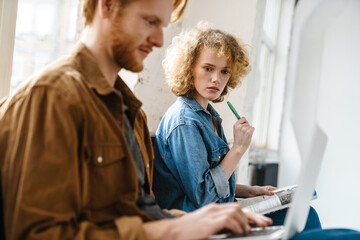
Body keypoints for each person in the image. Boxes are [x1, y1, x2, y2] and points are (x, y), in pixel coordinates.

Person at [0, 0, 274, 239]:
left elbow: (143, 214)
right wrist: (175, 230)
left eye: (162, 25)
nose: (158, 39)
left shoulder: (131, 112)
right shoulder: (51, 97)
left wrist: (204, 222)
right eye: (149, 21)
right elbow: (37, 234)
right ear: (107, 5)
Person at [153, 22, 276, 212]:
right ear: (189, 68)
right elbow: (203, 196)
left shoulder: (209, 116)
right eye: (208, 68)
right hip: (194, 224)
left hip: (219, 213)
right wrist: (238, 149)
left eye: (224, 71)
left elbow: (211, 182)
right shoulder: (185, 122)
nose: (216, 79)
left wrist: (248, 191)